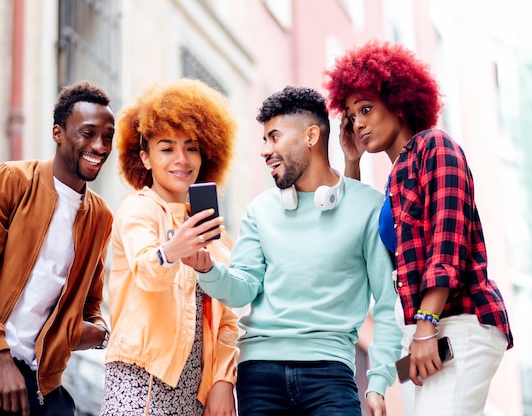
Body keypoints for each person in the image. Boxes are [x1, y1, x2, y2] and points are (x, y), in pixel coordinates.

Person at [324, 39, 514, 416]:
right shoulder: (394, 181)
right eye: (351, 115)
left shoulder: (435, 147)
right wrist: (351, 162)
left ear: (398, 102)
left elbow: (448, 241)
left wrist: (427, 323)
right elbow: (351, 236)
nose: (358, 122)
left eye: (366, 109)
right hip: (420, 335)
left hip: (456, 321)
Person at [189, 86, 402, 416]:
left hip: (330, 374)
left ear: (311, 136)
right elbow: (242, 287)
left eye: (274, 137)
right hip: (259, 374)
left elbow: (388, 306)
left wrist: (379, 381)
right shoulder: (260, 210)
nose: (265, 150)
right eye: (264, 140)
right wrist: (208, 270)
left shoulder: (368, 206)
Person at [0, 81, 115, 416]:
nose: (99, 146)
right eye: (88, 133)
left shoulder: (100, 217)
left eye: (108, 136)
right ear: (58, 132)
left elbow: (91, 303)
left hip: (43, 382)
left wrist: (98, 332)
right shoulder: (10, 181)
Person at [100, 78, 239, 416]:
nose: (182, 159)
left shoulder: (213, 231)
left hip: (195, 393)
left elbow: (229, 319)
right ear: (145, 158)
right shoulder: (138, 209)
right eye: (167, 148)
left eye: (191, 147)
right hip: (140, 381)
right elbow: (148, 272)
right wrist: (172, 251)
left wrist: (223, 382)